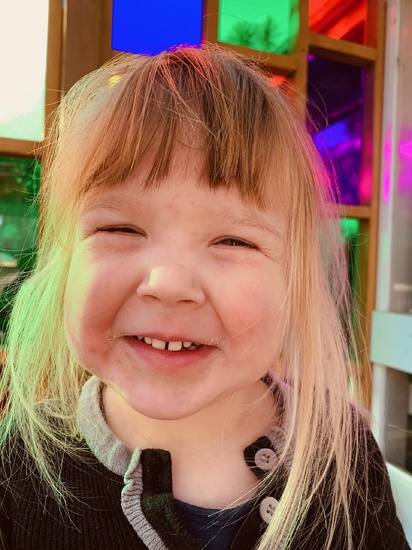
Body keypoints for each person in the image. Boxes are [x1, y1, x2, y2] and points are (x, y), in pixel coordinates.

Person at [0, 45, 409, 550]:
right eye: (121, 228)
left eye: (232, 240)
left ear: (294, 281)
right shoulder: (16, 467)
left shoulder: (341, 450)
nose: (167, 282)